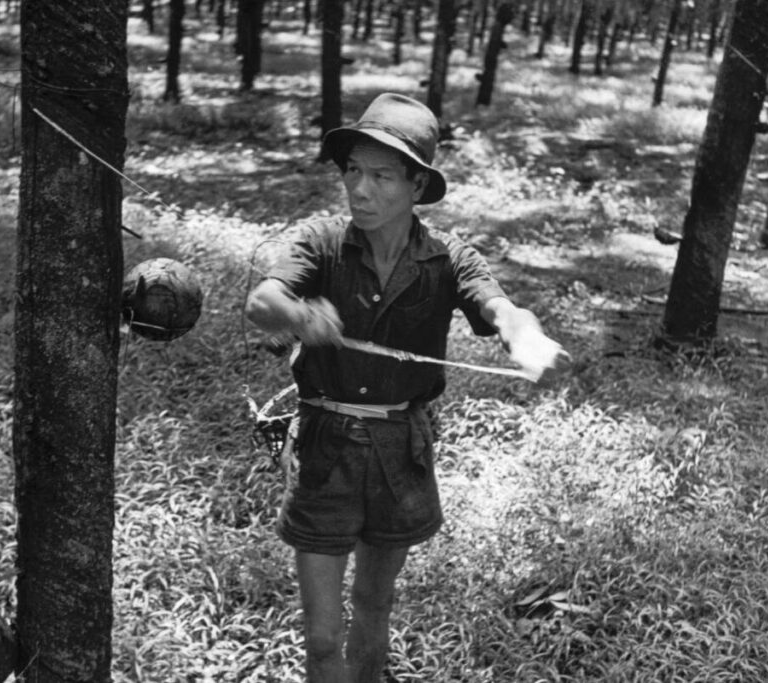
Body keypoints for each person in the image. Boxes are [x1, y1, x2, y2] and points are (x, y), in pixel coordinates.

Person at [244, 93, 570, 682]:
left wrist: (527, 340)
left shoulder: (448, 259)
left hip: (402, 448)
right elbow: (262, 301)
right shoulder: (321, 241)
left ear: (417, 187)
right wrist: (299, 315)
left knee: (373, 611)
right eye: (352, 172)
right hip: (325, 447)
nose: (360, 190)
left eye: (381, 176)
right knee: (322, 639)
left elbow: (504, 310)